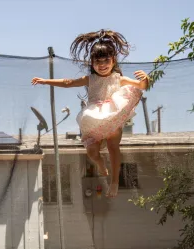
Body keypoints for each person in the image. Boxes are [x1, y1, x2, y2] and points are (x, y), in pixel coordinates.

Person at [32, 29, 149, 197]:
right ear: (92, 63)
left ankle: (114, 181)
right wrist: (45, 81)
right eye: (97, 61)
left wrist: (145, 79)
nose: (102, 65)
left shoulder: (118, 78)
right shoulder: (91, 79)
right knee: (92, 152)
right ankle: (100, 164)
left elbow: (142, 86)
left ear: (113, 60)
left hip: (113, 115)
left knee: (113, 146)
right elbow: (68, 82)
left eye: (106, 60)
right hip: (94, 116)